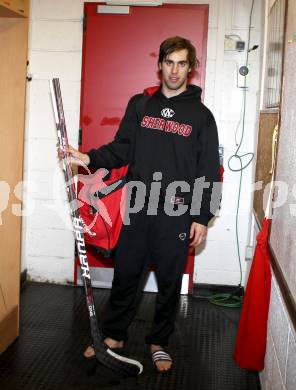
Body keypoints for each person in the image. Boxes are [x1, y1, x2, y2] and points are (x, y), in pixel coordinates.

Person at [59, 36, 220, 372]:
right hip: (137, 205)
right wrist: (87, 156)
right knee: (127, 275)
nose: (174, 70)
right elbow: (122, 149)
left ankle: (159, 341)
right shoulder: (140, 105)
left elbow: (209, 171)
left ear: (190, 69)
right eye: (169, 62)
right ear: (159, 64)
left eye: (182, 63)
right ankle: (115, 335)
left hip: (176, 211)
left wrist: (202, 216)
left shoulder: (202, 116)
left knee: (169, 280)